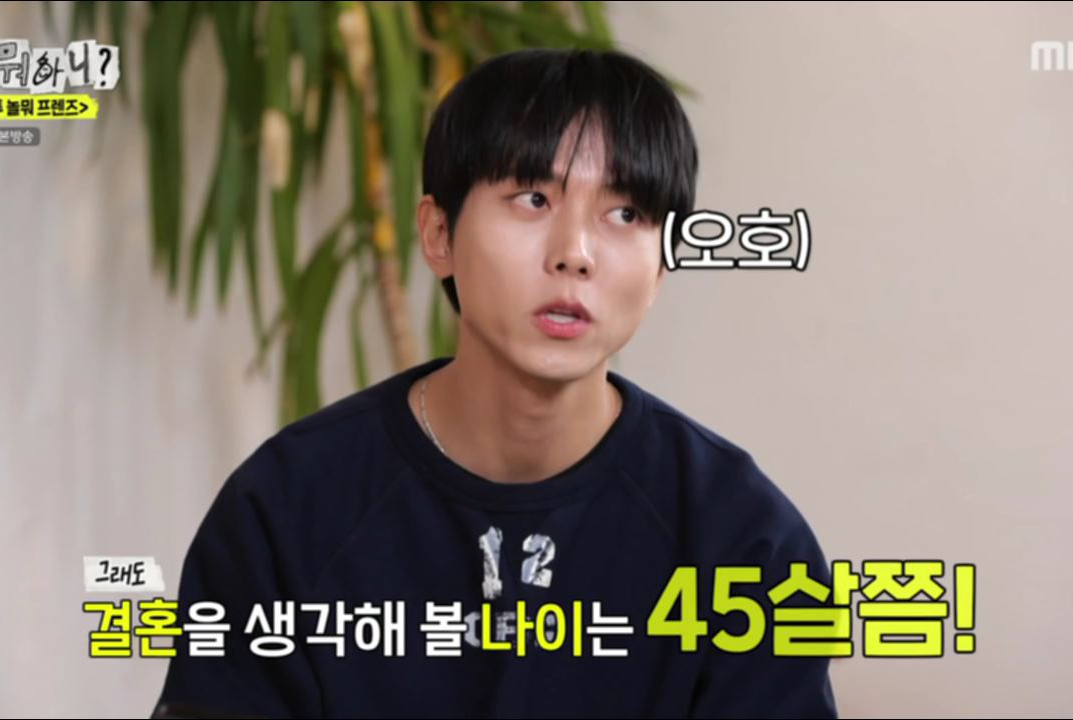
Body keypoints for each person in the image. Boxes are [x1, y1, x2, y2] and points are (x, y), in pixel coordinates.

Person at [154, 47, 837, 719]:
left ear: (664, 263)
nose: (575, 253)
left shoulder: (743, 540)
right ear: (438, 234)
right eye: (533, 199)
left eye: (625, 214)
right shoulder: (285, 510)